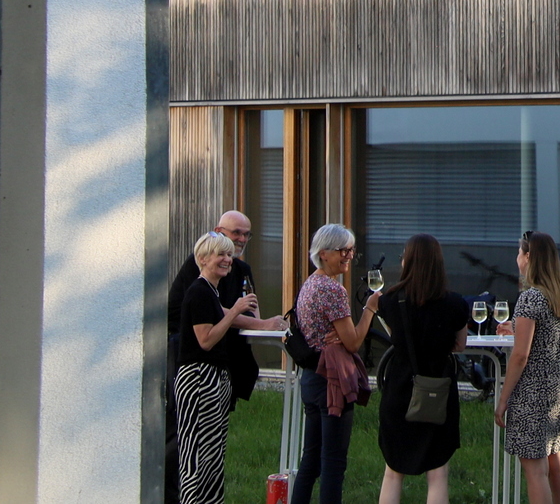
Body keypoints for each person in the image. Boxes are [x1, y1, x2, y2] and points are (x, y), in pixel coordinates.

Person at [164, 210, 283, 504]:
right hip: (194, 368)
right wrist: (245, 316)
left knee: (213, 448)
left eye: (245, 235)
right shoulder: (199, 284)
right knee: (190, 446)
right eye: (234, 234)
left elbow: (250, 312)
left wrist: (259, 320)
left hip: (219, 370)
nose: (238, 243)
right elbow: (206, 334)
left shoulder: (234, 274)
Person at [376, 234, 468, 504]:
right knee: (437, 471)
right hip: (439, 390)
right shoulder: (455, 304)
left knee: (393, 471)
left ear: (408, 261)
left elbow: (397, 337)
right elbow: (460, 345)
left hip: (400, 388)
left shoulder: (389, 301)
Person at [292, 223, 376, 504]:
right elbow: (353, 343)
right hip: (333, 380)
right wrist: (370, 309)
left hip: (311, 377)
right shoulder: (333, 290)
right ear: (324, 253)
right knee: (333, 462)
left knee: (311, 459)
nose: (349, 256)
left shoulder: (309, 284)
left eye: (352, 250)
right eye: (343, 250)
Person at [175, 231, 258, 504]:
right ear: (202, 259)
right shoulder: (199, 292)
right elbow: (206, 340)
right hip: (199, 379)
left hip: (215, 378)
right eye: (220, 254)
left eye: (229, 254)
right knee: (197, 454)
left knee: (213, 454)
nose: (227, 259)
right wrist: (235, 311)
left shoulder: (211, 291)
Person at [494, 231, 560, 504]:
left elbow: (520, 355)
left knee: (535, 471)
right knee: (558, 468)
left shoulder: (531, 298)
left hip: (532, 393)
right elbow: (547, 329)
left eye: (519, 253)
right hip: (559, 388)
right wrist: (516, 327)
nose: (517, 258)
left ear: (528, 257)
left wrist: (503, 399)